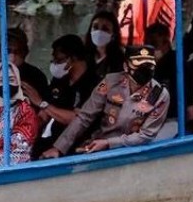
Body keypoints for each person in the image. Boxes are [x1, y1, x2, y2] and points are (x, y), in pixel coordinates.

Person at [41, 45, 170, 158]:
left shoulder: (159, 95)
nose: (145, 70)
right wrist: (59, 148)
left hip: (134, 153)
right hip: (98, 146)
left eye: (149, 66)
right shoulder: (110, 82)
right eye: (138, 65)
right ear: (126, 66)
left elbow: (146, 135)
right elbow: (84, 117)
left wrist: (110, 143)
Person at [22, 34, 100, 158]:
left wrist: (42, 103)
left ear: (73, 58)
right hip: (50, 139)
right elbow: (44, 114)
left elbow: (77, 119)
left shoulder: (93, 83)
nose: (54, 64)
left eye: (58, 60)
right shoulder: (59, 80)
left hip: (77, 145)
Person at [144, 22, 193, 137]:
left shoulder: (177, 63)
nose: (149, 48)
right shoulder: (147, 67)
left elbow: (190, 105)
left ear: (166, 43)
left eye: (153, 44)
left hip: (173, 121)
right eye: (146, 44)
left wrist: (191, 130)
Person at [84, 10, 126, 77]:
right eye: (95, 27)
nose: (99, 31)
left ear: (113, 35)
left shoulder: (120, 61)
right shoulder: (82, 55)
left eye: (105, 29)